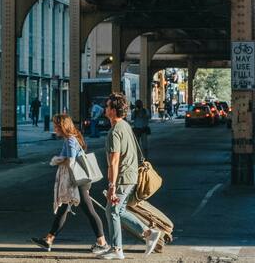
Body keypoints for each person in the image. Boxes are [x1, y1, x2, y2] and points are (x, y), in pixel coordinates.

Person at [31, 114, 109, 255]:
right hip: (76, 181)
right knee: (62, 209)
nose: (55, 128)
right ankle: (49, 239)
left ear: (63, 126)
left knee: (90, 212)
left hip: (78, 182)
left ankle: (103, 243)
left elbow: (71, 161)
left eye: (56, 125)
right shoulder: (70, 139)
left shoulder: (70, 140)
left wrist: (58, 160)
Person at [100, 93, 161, 260]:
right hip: (132, 176)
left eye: (107, 106)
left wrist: (111, 187)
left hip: (123, 178)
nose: (105, 109)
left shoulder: (114, 132)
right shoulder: (126, 126)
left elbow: (114, 161)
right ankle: (148, 233)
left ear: (113, 110)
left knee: (111, 210)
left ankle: (116, 248)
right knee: (118, 210)